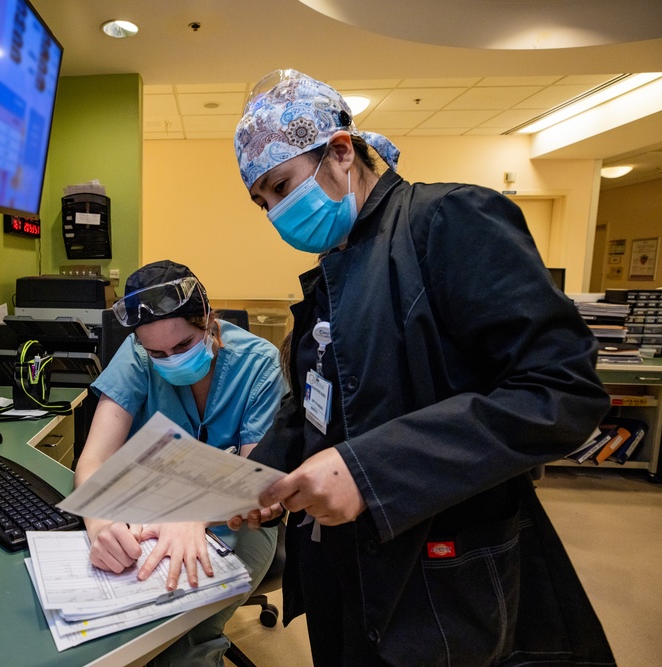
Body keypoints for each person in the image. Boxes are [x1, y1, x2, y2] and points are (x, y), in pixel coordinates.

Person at [229, 70, 615, 666]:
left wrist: (370, 470)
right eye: (263, 203)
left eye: (281, 187)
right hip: (344, 564)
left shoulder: (449, 221)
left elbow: (561, 392)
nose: (276, 213)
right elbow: (318, 399)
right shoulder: (338, 268)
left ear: (339, 152)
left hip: (440, 573)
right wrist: (255, 474)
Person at [74, 259, 285, 666]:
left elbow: (259, 485)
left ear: (208, 322)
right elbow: (94, 459)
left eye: (184, 346)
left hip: (237, 518)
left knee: (186, 639)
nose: (169, 360)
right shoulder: (136, 355)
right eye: (157, 353)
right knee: (122, 631)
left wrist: (194, 515)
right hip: (149, 506)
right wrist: (100, 524)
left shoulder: (259, 364)